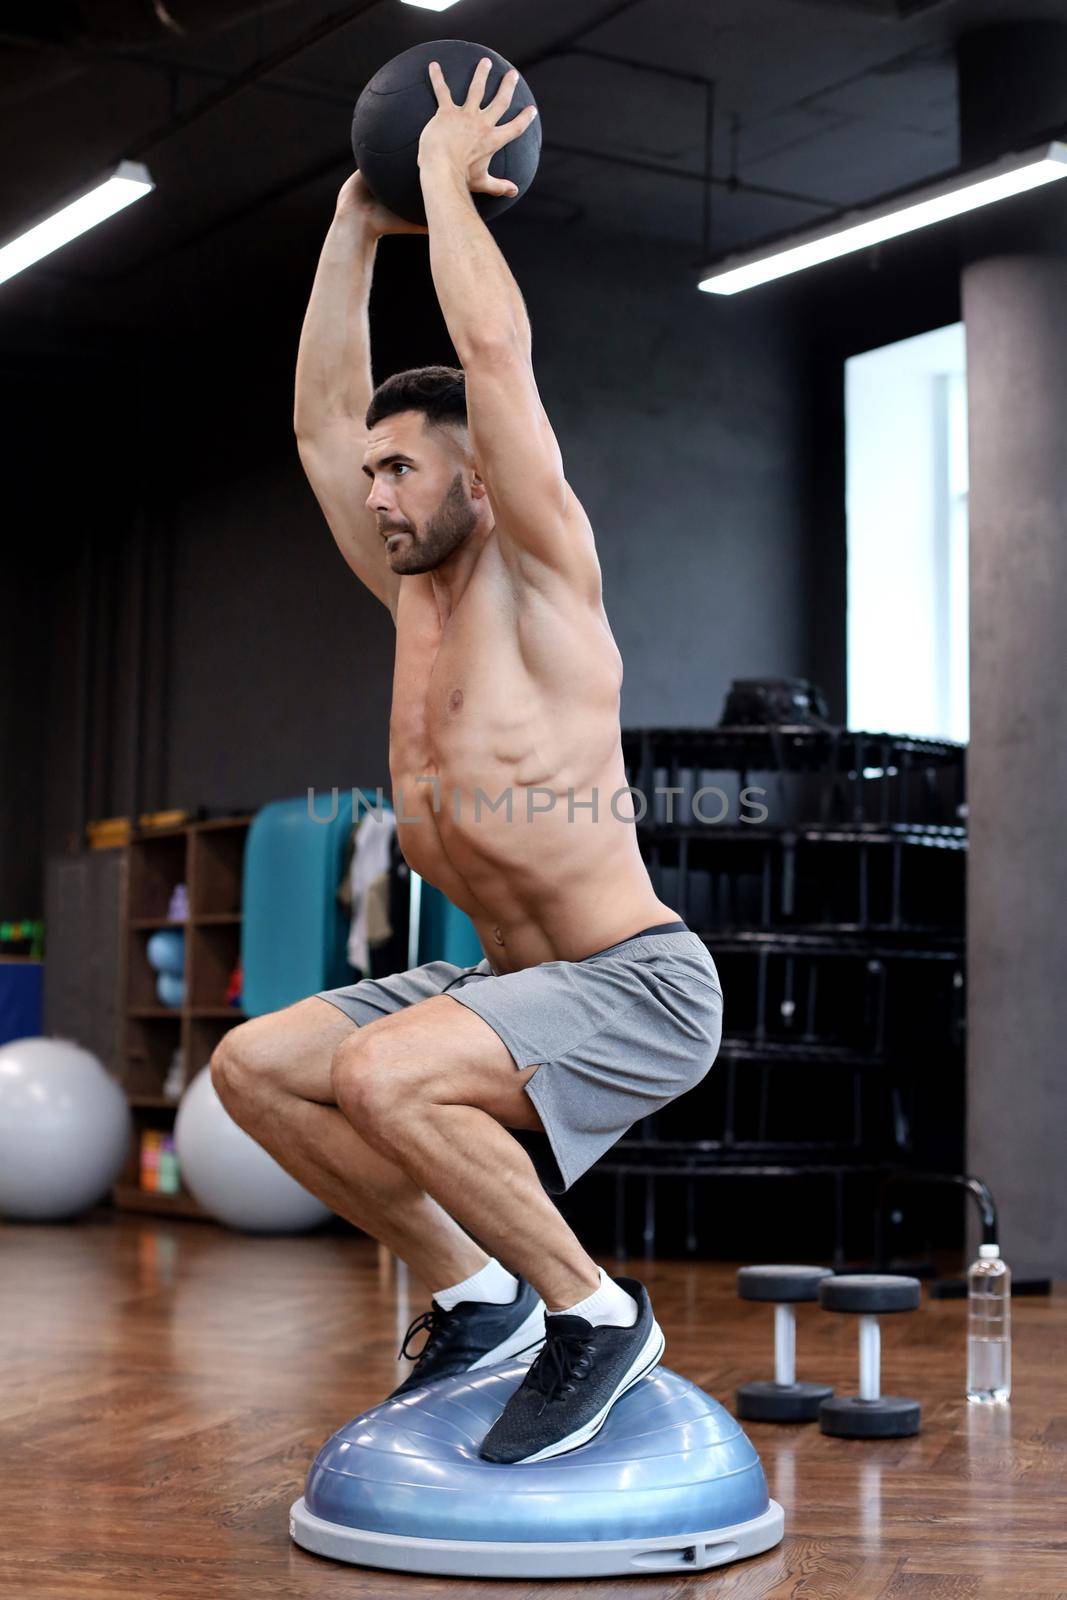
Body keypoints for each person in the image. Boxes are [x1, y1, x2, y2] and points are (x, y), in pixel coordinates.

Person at [212, 59, 723, 1466]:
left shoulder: (544, 573)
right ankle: (475, 1290)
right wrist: (351, 224)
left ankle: (596, 1315)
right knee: (257, 1070)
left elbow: (497, 365)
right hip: (502, 979)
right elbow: (321, 420)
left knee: (383, 1077)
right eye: (373, 476)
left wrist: (440, 187)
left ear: (478, 479)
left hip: (635, 984)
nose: (372, 492)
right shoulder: (415, 602)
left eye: (401, 471)